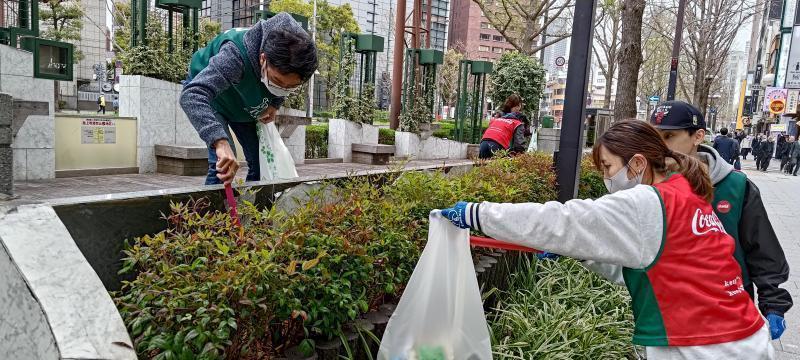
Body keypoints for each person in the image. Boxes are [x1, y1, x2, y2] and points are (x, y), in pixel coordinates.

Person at [442, 120, 774, 359]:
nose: (606, 179)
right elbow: (645, 266)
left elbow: (563, 221)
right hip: (736, 336)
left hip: (707, 345)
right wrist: (584, 254)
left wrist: (478, 214)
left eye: (609, 167)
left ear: (638, 164)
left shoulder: (646, 202)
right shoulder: (684, 193)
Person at [651, 100, 791, 341]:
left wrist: (773, 302)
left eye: (669, 136)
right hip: (667, 309)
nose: (660, 147)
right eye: (654, 137)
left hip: (729, 305)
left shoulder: (736, 186)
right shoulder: (646, 185)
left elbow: (761, 246)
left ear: (698, 136)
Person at [180, 13, 318, 185]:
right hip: (213, 97)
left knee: (261, 161)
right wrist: (220, 142)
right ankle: (209, 211)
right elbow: (193, 95)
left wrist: (275, 103)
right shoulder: (234, 55)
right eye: (276, 82)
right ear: (263, 59)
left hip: (243, 102)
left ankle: (256, 209)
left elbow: (284, 84)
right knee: (223, 166)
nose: (282, 88)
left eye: (290, 87)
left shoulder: (298, 53)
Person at [478, 94, 528, 159]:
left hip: (483, 143)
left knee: (483, 168)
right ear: (518, 106)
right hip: (497, 145)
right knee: (499, 168)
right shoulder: (517, 123)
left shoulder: (496, 119)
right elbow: (519, 144)